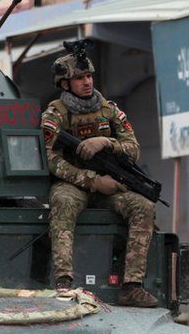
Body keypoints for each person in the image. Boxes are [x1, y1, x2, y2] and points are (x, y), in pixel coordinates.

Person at [42, 48, 158, 307]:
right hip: (74, 185)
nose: (87, 82)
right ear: (65, 83)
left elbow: (134, 149)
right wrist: (91, 180)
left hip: (111, 185)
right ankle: (63, 282)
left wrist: (106, 142)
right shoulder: (55, 115)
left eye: (89, 76)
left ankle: (132, 286)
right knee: (62, 201)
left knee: (144, 206)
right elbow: (50, 160)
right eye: (80, 78)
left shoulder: (110, 111)